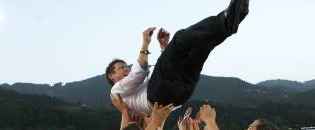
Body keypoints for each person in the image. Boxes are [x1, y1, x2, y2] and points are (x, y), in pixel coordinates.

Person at [105, 0, 249, 115]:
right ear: (111, 75)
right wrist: (145, 43)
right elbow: (139, 73)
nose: (126, 68)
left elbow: (167, 70)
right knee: (180, 39)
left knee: (200, 50)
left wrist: (164, 47)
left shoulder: (134, 92)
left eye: (126, 66)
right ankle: (226, 19)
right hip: (159, 95)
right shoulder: (116, 91)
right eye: (121, 67)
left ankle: (234, 16)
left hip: (179, 95)